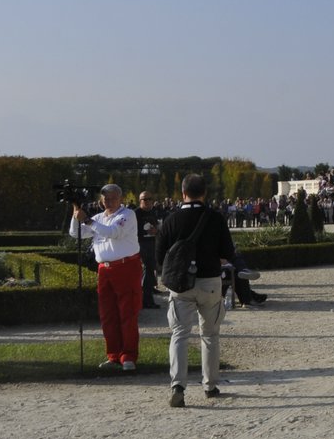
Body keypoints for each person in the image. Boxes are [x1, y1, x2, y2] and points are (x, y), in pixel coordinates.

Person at [156, 174, 238, 407]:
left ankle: (178, 386)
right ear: (204, 193)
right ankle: (210, 385)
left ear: (183, 193)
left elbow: (160, 259)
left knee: (180, 334)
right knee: (210, 335)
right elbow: (227, 254)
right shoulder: (215, 218)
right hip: (210, 282)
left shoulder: (171, 220)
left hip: (181, 284)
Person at [69, 183, 142, 372]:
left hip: (125, 266)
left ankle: (128, 356)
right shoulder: (99, 217)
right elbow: (75, 233)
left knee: (127, 314)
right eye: (105, 199)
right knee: (107, 315)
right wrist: (76, 211)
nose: (108, 202)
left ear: (120, 198)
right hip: (105, 269)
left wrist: (89, 221)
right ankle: (113, 354)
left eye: (112, 198)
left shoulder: (127, 215)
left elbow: (113, 233)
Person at [135, 191, 163, 310]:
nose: (147, 202)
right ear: (140, 201)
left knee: (151, 269)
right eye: (144, 199)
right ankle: (147, 300)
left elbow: (156, 226)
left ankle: (150, 290)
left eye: (149, 199)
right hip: (141, 244)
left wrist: (156, 231)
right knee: (147, 270)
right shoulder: (136, 213)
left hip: (151, 244)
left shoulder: (152, 212)